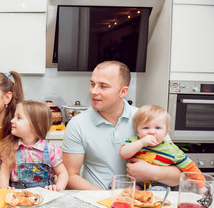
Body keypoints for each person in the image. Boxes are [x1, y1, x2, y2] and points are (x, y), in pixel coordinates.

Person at [62, 60, 181, 190]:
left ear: (123, 92)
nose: (93, 91)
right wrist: (108, 199)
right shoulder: (77, 124)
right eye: (92, 84)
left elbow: (178, 177)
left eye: (103, 86)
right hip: (96, 201)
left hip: (142, 203)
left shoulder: (147, 120)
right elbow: (70, 176)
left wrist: (150, 172)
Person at [119, 104, 205, 190]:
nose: (152, 132)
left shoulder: (172, 149)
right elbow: (123, 153)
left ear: (165, 132)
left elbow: (190, 167)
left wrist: (201, 186)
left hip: (157, 185)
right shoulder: (135, 142)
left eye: (157, 128)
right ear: (137, 132)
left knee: (157, 191)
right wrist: (141, 143)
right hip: (134, 182)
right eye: (146, 128)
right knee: (118, 185)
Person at [0, 100, 69, 191]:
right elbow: (4, 174)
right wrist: (4, 190)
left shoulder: (51, 150)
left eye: (18, 118)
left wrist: (57, 187)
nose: (12, 120)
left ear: (37, 126)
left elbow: (63, 173)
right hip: (19, 198)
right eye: (14, 117)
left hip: (45, 197)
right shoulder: (10, 148)